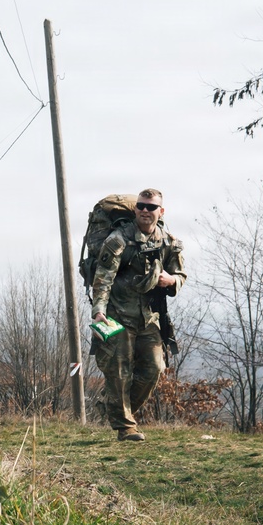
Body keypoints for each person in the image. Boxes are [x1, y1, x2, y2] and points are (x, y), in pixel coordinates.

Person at [91, 189, 186, 442]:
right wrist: (99, 310)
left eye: (151, 207)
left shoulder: (168, 242)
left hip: (149, 317)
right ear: (135, 210)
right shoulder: (118, 240)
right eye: (141, 206)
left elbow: (181, 274)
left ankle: (116, 411)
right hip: (117, 314)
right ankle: (125, 428)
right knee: (119, 370)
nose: (145, 210)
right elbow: (103, 278)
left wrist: (171, 279)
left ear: (160, 212)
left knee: (154, 368)